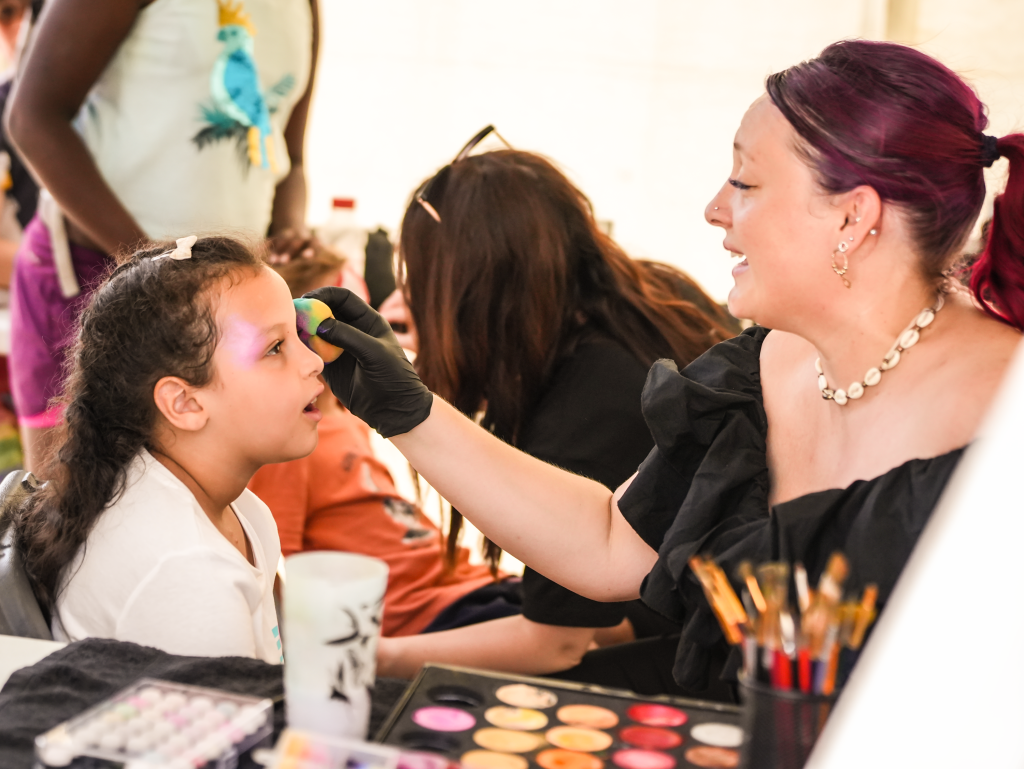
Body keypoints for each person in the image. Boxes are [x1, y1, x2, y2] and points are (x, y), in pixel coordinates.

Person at [306, 40, 1024, 695]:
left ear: (852, 216)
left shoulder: (1000, 417)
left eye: (745, 181)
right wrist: (409, 410)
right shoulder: (764, 364)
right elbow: (612, 541)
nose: (715, 209)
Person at [366, 139, 738, 686]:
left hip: (712, 654)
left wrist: (382, 659)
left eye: (424, 282)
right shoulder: (653, 293)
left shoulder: (590, 399)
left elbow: (554, 643)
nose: (408, 301)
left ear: (473, 288)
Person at [5, 0, 318, 472]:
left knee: (197, 509)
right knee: (77, 518)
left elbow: (286, 154)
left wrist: (289, 230)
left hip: (219, 303)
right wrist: (152, 268)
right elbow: (31, 119)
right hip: (93, 284)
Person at [9, 236, 324, 661]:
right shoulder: (188, 573)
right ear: (185, 403)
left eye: (298, 336)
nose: (314, 362)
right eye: (275, 348)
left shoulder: (245, 514)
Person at [249, 249, 503, 638]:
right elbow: (279, 565)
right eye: (339, 319)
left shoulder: (349, 418)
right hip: (419, 614)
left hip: (467, 582)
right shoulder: (289, 443)